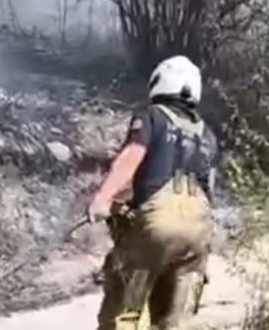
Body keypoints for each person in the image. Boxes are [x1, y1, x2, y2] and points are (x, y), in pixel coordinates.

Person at [86, 55, 219, 330]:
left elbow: (132, 156)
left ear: (160, 82)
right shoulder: (207, 134)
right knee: (172, 320)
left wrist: (102, 199)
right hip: (195, 238)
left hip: (155, 238)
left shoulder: (152, 117)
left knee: (126, 309)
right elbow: (209, 189)